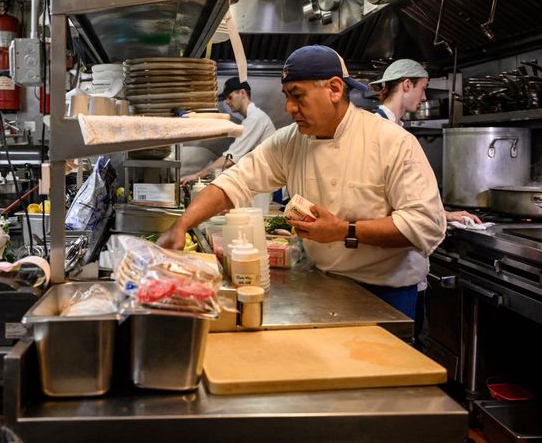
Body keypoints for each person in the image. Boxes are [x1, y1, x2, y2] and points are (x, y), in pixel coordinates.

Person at [159, 45, 446, 318]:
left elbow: (425, 225)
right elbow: (234, 181)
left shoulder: (392, 142)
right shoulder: (291, 141)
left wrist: (343, 230)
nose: (289, 108)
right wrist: (181, 226)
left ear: (334, 89)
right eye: (286, 96)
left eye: (297, 96)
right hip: (325, 282)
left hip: (388, 293)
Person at [369, 59, 481, 225]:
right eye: (423, 88)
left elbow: (407, 191)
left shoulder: (395, 129)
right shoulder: (376, 130)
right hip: (383, 229)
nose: (424, 97)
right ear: (407, 85)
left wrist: (443, 214)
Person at [180, 77, 275, 185]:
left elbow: (232, 157)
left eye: (230, 97)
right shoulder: (251, 119)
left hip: (272, 183)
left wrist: (198, 175)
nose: (227, 102)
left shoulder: (255, 119)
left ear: (242, 93)